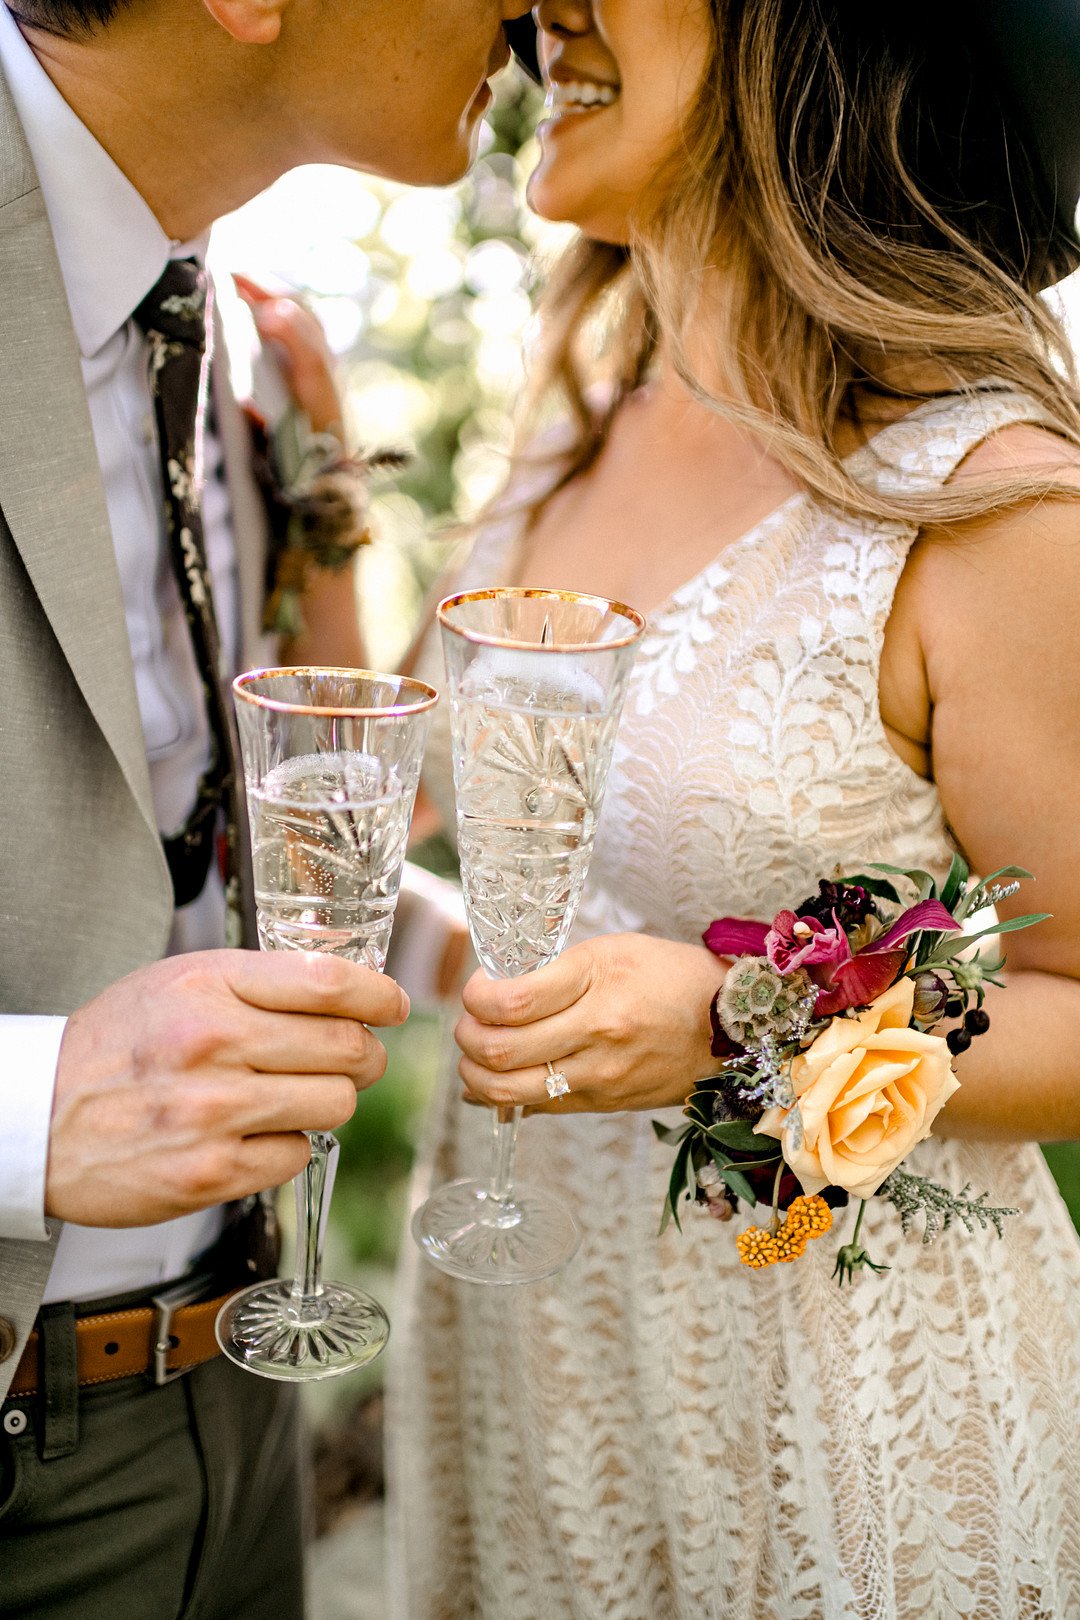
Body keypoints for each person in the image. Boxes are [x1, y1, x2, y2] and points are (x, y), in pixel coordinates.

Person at [390, 2, 1080, 1616]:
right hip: (540, 1348)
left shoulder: (989, 507)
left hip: (845, 1398)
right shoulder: (572, 420)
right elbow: (528, 890)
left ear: (812, 37)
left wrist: (736, 1020)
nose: (541, 2)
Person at [0, 0, 529, 1615]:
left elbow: (232, 816)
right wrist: (24, 1116)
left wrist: (448, 947)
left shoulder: (254, 348)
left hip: (238, 1393)